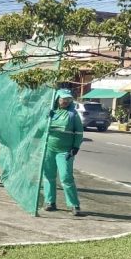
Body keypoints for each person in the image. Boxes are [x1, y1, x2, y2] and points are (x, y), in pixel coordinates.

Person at [42, 88, 84, 216]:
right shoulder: (50, 112)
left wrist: (75, 147)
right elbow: (41, 129)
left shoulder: (73, 115)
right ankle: (50, 202)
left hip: (65, 151)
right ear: (57, 99)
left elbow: (79, 133)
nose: (65, 101)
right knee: (48, 175)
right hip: (48, 149)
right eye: (63, 99)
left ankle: (74, 205)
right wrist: (46, 118)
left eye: (68, 99)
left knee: (66, 177)